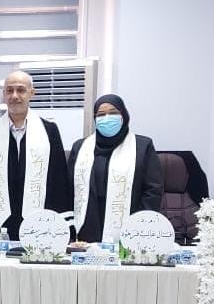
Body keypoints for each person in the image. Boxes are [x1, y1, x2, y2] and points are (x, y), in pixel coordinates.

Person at [0, 70, 73, 239]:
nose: (14, 96)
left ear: (32, 93)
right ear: (3, 94)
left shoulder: (49, 132)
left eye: (21, 90)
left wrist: (62, 229)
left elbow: (59, 182)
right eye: (9, 90)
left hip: (40, 228)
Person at [67, 94, 163, 243]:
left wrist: (141, 225)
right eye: (101, 114)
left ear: (124, 115)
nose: (107, 118)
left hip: (130, 225)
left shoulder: (142, 146)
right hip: (88, 224)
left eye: (113, 113)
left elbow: (152, 190)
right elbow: (68, 188)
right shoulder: (80, 147)